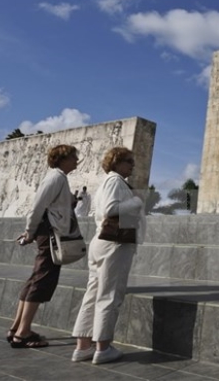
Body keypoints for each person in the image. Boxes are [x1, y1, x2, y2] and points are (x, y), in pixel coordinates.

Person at [71, 147, 145, 364]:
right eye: (129, 161)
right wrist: (136, 202)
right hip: (114, 244)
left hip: (101, 242)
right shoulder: (115, 181)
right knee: (110, 294)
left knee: (93, 294)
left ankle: (82, 347)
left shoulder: (110, 182)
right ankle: (103, 348)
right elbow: (111, 209)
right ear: (116, 162)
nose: (132, 165)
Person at [10, 144, 80, 348]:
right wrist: (30, 232)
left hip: (46, 232)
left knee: (35, 279)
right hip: (49, 235)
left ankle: (16, 328)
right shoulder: (56, 177)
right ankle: (22, 333)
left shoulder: (58, 177)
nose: (76, 161)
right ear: (62, 158)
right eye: (74, 157)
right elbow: (37, 206)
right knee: (42, 280)